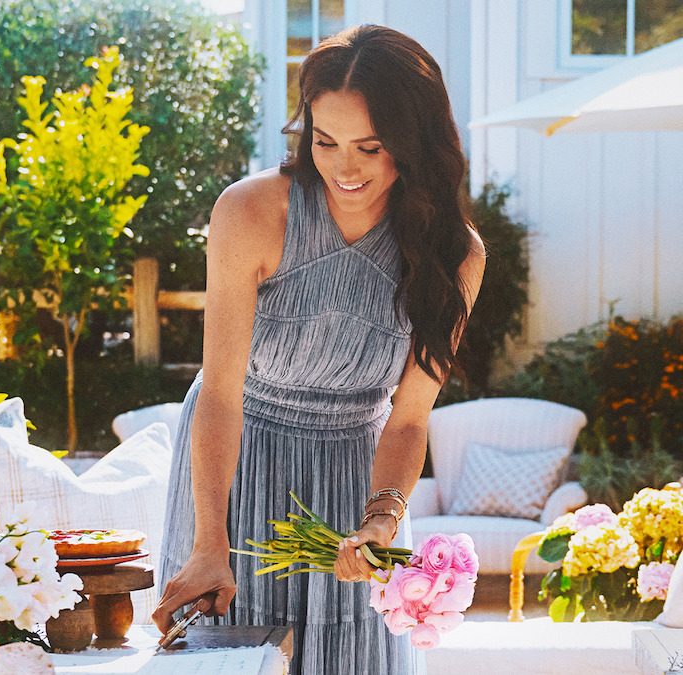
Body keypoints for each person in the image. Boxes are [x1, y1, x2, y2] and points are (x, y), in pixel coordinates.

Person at [151, 24, 486, 675]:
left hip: (357, 475)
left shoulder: (456, 255)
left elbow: (409, 417)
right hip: (235, 465)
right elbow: (220, 391)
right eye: (325, 141)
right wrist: (208, 540)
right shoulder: (250, 212)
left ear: (412, 144)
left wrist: (381, 519)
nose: (344, 167)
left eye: (370, 145)